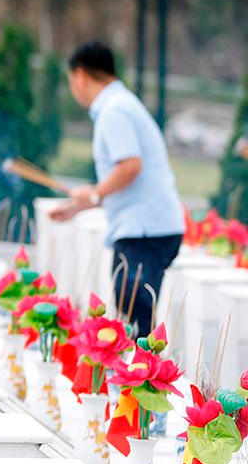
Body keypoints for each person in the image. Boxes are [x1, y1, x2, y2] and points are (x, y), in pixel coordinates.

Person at [50, 41, 184, 336]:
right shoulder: (121, 104)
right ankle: (138, 378)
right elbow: (127, 180)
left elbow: (130, 167)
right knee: (133, 316)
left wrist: (96, 193)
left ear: (81, 75)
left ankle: (140, 380)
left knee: (135, 320)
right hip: (149, 228)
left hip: (144, 231)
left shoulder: (114, 110)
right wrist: (77, 206)